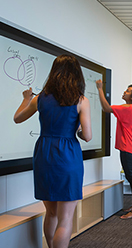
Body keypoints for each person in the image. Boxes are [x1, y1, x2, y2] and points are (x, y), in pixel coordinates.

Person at [14, 54, 92, 248]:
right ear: (77, 75)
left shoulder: (40, 99)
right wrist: (79, 131)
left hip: (44, 153)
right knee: (65, 219)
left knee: (51, 213)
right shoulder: (80, 100)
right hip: (68, 155)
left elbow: (17, 118)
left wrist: (25, 98)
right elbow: (88, 136)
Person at [96, 79, 132, 219]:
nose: (125, 92)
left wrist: (100, 89)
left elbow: (106, 108)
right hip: (130, 146)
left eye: (128, 91)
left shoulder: (128, 108)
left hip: (128, 147)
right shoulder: (130, 109)